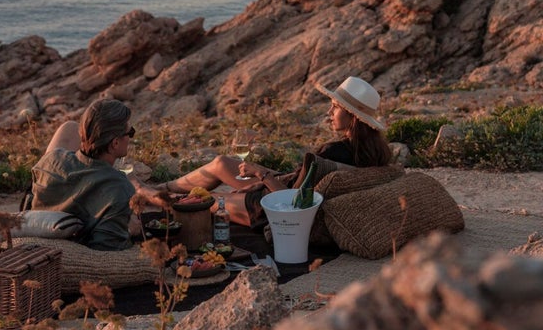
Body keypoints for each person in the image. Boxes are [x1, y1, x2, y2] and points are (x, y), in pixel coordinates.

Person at [149, 77, 392, 214]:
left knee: (204, 200)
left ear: (354, 118)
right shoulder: (375, 153)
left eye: (336, 107)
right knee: (222, 163)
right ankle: (162, 186)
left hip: (271, 208)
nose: (329, 112)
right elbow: (300, 182)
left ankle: (145, 193)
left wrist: (261, 174)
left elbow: (293, 202)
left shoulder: (332, 153)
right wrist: (259, 180)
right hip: (280, 188)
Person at [30, 98, 139, 250]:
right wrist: (130, 230)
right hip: (74, 252)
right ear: (115, 143)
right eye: (130, 133)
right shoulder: (119, 188)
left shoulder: (51, 159)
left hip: (36, 235)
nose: (130, 138)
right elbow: (107, 248)